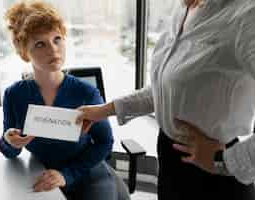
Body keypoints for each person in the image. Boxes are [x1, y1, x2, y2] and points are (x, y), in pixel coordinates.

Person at [76, 0, 255, 199]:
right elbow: (165, 90)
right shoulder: (184, 10)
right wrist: (102, 110)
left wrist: (225, 160)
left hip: (214, 174)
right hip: (171, 159)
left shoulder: (245, 15)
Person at [0, 1, 118, 199]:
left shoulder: (86, 92)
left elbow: (105, 143)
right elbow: (9, 151)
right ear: (24, 53)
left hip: (89, 174)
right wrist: (9, 142)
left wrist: (66, 174)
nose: (53, 50)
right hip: (41, 175)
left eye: (57, 39)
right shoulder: (14, 95)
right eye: (40, 44)